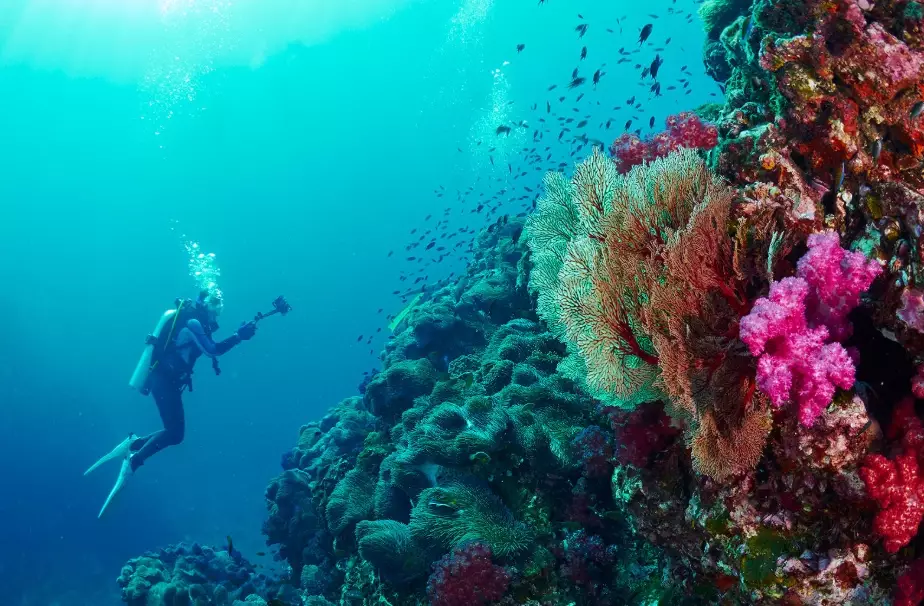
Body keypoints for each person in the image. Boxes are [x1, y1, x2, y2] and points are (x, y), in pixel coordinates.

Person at [85, 291, 257, 517]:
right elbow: (211, 349)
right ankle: (134, 460)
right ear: (205, 305)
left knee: (175, 433)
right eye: (215, 308)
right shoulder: (193, 321)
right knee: (175, 433)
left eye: (219, 309)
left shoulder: (193, 320)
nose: (217, 314)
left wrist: (237, 335)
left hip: (166, 381)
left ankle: (133, 445)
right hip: (164, 381)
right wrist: (238, 336)